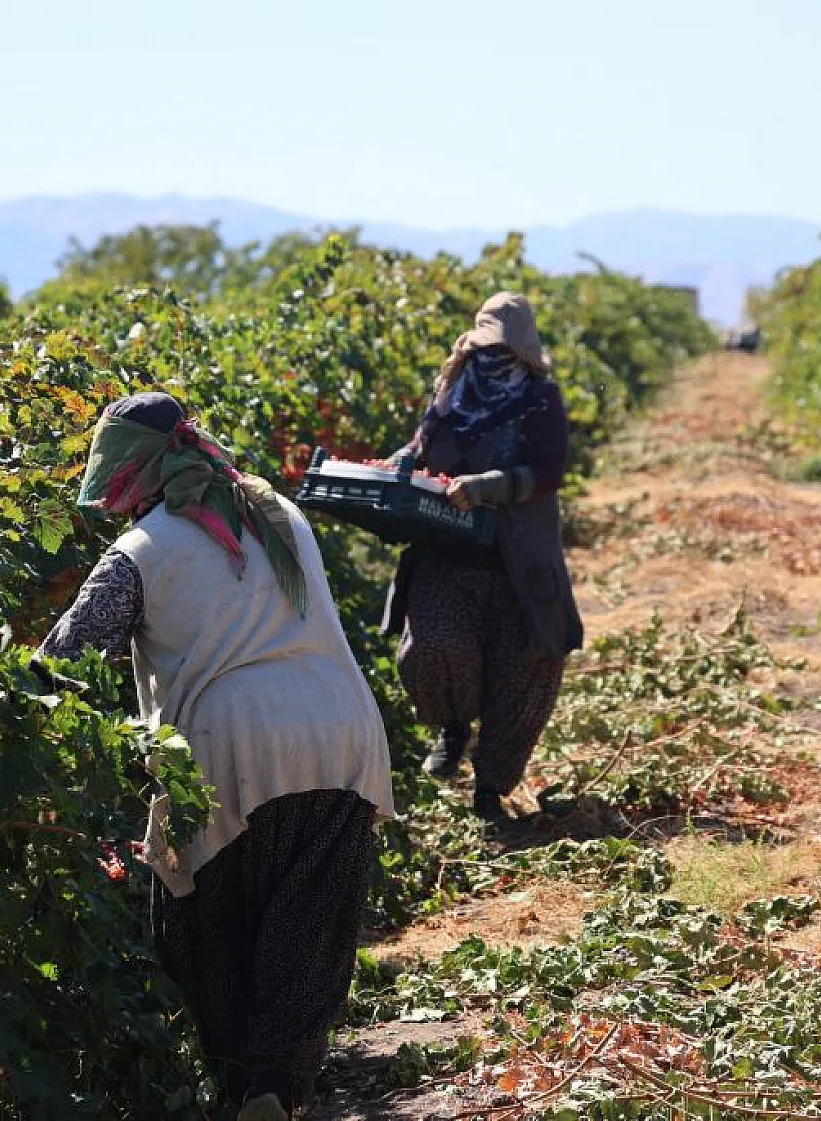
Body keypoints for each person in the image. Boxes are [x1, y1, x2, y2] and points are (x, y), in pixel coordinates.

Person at [34, 392, 396, 1121]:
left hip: (230, 755)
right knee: (307, 928)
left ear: (136, 473)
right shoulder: (277, 513)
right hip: (341, 735)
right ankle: (275, 1088)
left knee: (208, 934)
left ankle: (240, 1087)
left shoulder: (141, 550)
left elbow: (61, 660)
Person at [383, 292, 584, 825]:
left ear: (521, 352)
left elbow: (549, 471)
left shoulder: (541, 400)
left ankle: (489, 790)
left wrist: (489, 486)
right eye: (483, 348)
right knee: (432, 652)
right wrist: (395, 466)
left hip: (516, 566)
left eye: (501, 350)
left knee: (521, 673)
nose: (490, 360)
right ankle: (452, 729)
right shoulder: (454, 392)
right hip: (449, 558)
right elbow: (422, 445)